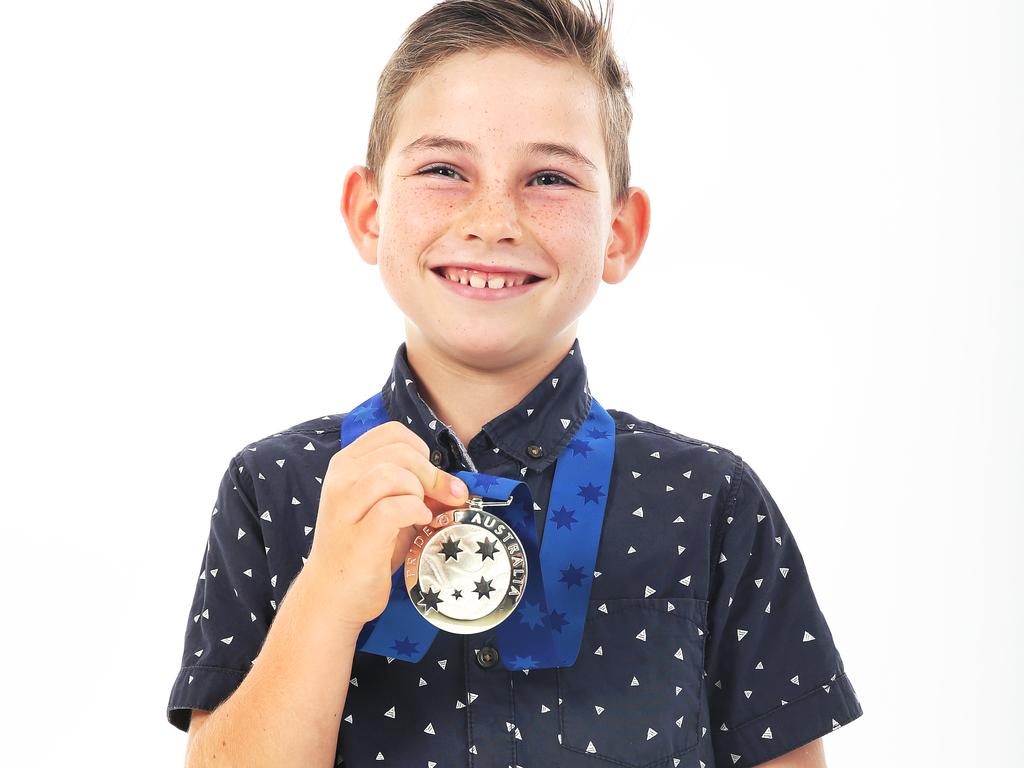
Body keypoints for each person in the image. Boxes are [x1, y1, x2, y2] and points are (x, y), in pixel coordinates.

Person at [166, 1, 864, 766]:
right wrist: (329, 591)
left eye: (549, 177)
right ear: (368, 214)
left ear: (620, 234)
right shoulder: (275, 488)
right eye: (442, 169)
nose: (492, 220)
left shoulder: (713, 504)